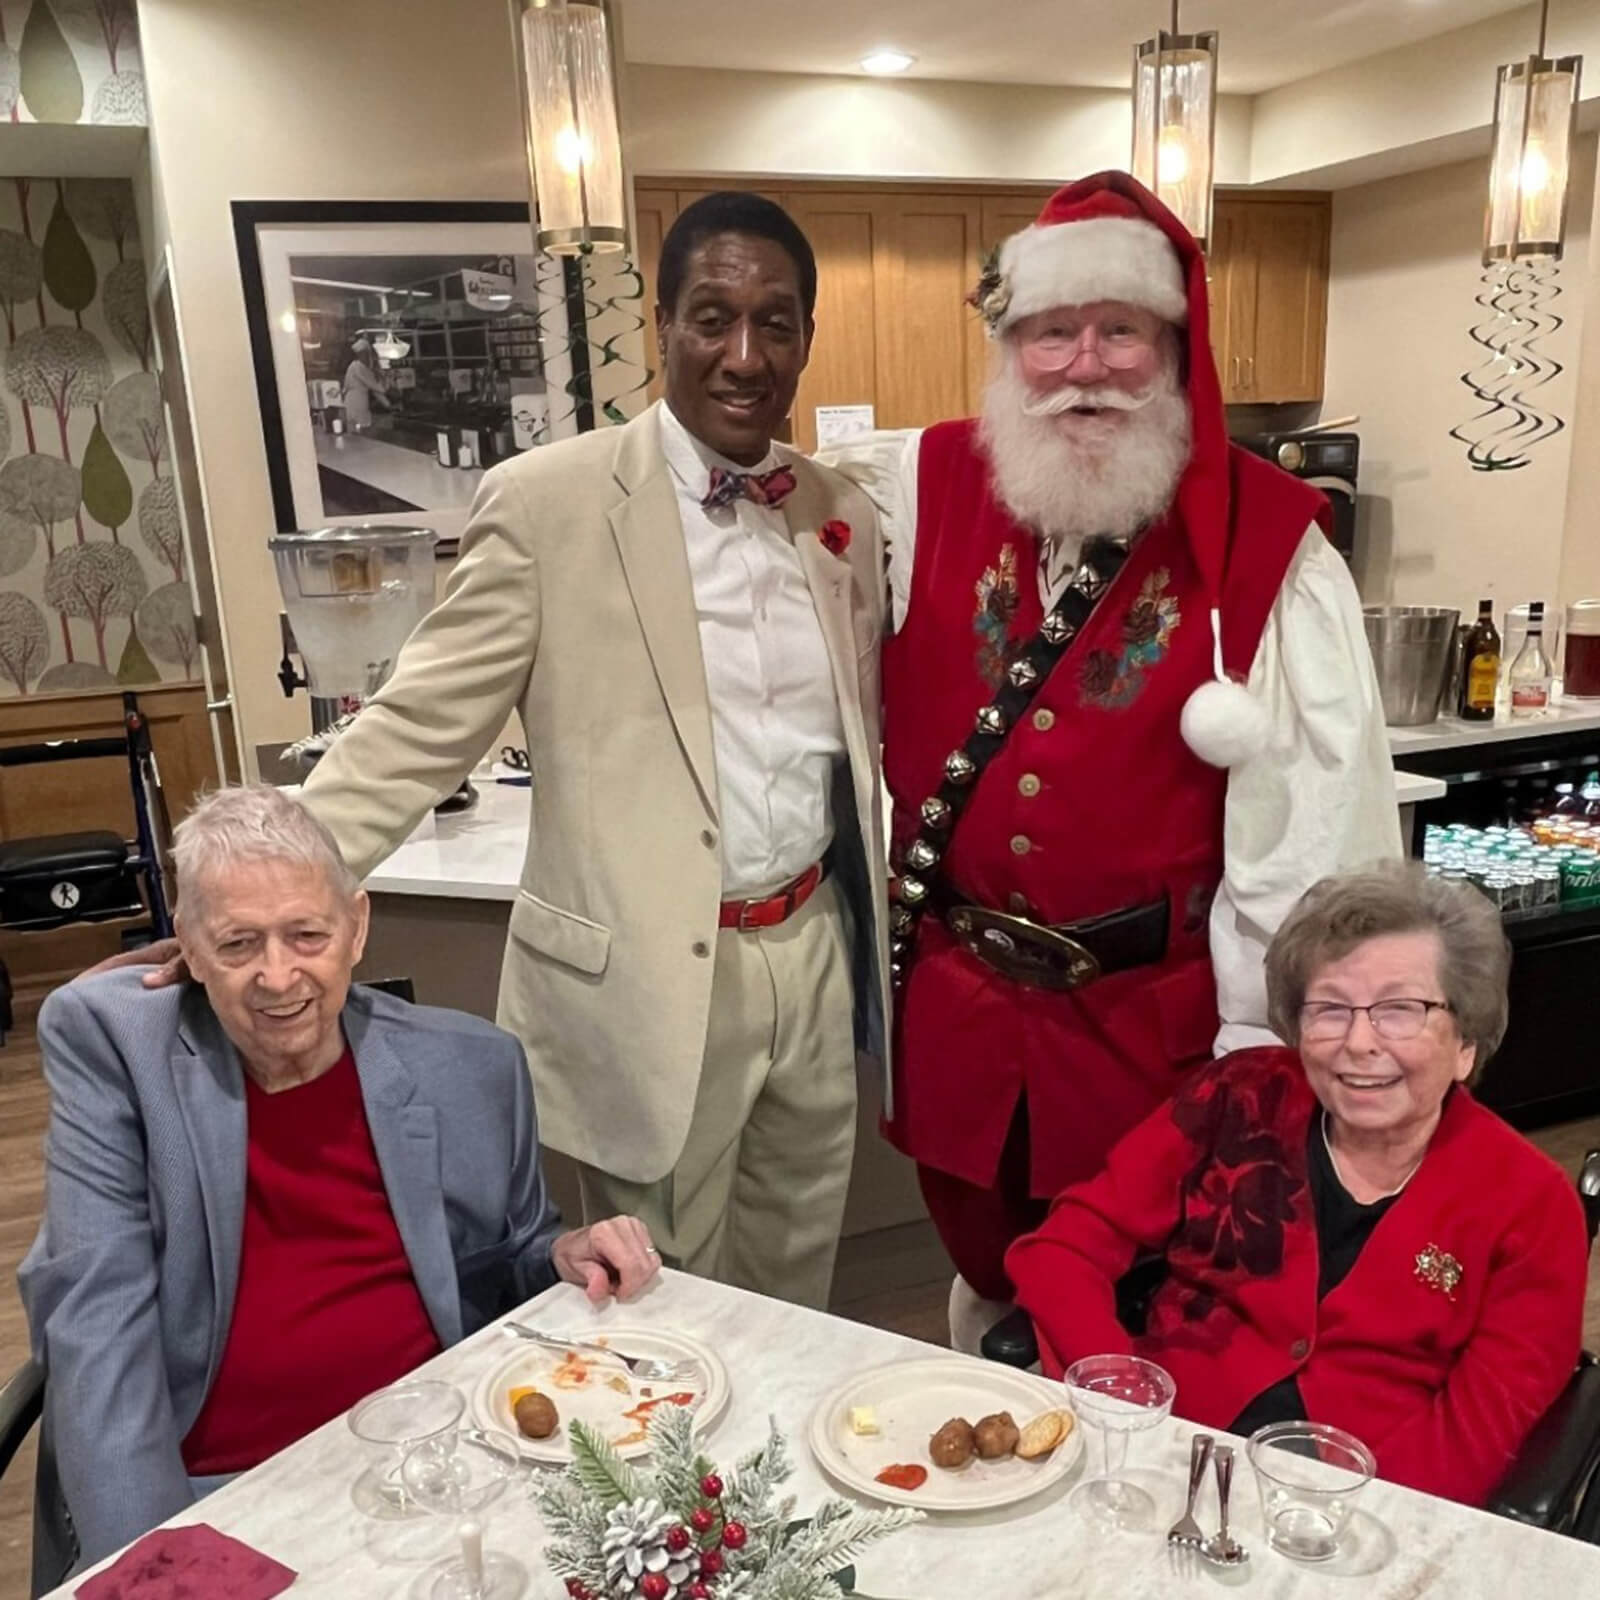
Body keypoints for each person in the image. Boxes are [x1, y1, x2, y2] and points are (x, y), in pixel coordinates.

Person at [115, 193, 889, 1311]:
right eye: (711, 317)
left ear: (808, 337)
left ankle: (762, 1492)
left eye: (776, 323)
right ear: (663, 321)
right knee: (663, 1306)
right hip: (653, 980)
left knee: (794, 1292)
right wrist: (246, 896)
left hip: (813, 950)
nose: (743, 354)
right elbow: (419, 725)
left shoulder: (839, 515)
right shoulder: (548, 504)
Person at [825, 171, 1400, 1349]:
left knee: (1142, 1310)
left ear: (1173, 349)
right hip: (958, 1023)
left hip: (1153, 1038)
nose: (1084, 365)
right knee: (986, 1289)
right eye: (1050, 333)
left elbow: (1316, 834)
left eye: (1119, 331)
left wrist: (1272, 1053)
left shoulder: (1273, 545)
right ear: (1009, 348)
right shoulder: (920, 489)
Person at [20, 786, 660, 1583]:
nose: (278, 976)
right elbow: (94, 1322)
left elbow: (512, 1266)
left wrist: (565, 1254)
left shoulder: (473, 1065)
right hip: (223, 1500)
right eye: (238, 943)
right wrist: (159, 1568)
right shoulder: (119, 1049)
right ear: (184, 943)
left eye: (307, 935)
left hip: (445, 1470)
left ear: (356, 927)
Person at [1008, 864, 1589, 1507]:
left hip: (1355, 1508)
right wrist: (1123, 1402)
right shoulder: (1238, 1096)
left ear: (1465, 1045)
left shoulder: (1530, 1203)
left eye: (1401, 1010)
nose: (1359, 1043)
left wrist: (1338, 1516)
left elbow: (1480, 1430)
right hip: (1162, 1460)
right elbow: (1064, 1248)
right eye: (1330, 1009)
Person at [340, 336, 391, 430]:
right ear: (362, 354)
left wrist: (387, 404)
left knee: (356, 432)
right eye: (367, 354)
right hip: (357, 403)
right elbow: (379, 388)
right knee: (358, 433)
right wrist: (387, 376)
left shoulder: (356, 366)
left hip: (355, 402)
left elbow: (374, 389)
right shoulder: (359, 367)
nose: (368, 357)